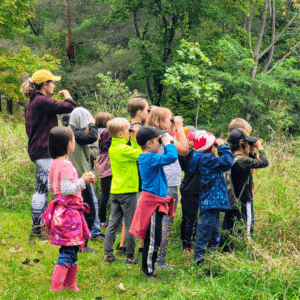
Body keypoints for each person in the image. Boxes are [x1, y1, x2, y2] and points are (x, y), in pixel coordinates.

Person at [21, 69, 76, 240]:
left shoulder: (33, 102)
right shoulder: (42, 101)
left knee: (44, 187)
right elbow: (69, 107)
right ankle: (37, 229)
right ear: (44, 85)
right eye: (52, 82)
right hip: (43, 150)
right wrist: (67, 94)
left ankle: (42, 227)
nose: (54, 85)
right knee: (42, 187)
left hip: (39, 149)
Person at [42, 126, 94, 292]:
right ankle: (56, 287)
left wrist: (77, 186)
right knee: (69, 249)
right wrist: (82, 182)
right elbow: (65, 190)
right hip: (69, 214)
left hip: (61, 211)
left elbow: (53, 188)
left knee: (72, 247)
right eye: (73, 140)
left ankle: (70, 284)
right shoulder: (66, 165)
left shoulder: (54, 164)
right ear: (69, 145)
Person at [129, 126, 178, 277]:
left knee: (154, 238)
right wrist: (169, 144)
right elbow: (171, 157)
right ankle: (148, 271)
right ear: (149, 144)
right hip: (152, 204)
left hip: (154, 202)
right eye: (158, 141)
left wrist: (164, 143)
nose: (161, 144)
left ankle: (149, 268)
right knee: (153, 240)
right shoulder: (149, 158)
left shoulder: (147, 157)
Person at [146, 107, 189, 270]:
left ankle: (151, 257)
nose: (173, 121)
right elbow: (185, 150)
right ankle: (160, 261)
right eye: (170, 119)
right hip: (169, 183)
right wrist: (179, 127)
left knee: (155, 222)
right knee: (166, 222)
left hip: (156, 183)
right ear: (161, 121)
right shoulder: (165, 138)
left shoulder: (151, 136)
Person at [189, 130, 233, 265]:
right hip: (211, 201)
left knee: (214, 233)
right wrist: (222, 146)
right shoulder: (207, 159)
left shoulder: (201, 158)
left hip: (212, 202)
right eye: (213, 145)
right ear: (209, 147)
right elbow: (227, 161)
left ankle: (212, 259)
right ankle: (198, 262)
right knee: (204, 234)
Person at [103, 118, 141, 264]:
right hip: (128, 191)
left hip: (116, 190)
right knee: (130, 223)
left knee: (113, 223)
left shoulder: (113, 148)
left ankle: (108, 254)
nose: (129, 132)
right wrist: (136, 138)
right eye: (127, 130)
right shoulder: (124, 149)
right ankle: (130, 256)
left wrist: (130, 136)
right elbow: (139, 154)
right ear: (120, 134)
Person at [68, 107, 105, 253]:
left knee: (77, 210)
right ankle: (82, 243)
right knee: (88, 210)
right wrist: (92, 124)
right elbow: (92, 136)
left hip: (76, 175)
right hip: (79, 177)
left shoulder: (70, 132)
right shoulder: (75, 133)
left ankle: (76, 241)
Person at [223, 128, 269, 240]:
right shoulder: (243, 160)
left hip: (232, 200)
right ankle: (246, 249)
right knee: (246, 231)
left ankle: (227, 250)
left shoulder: (230, 158)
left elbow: (251, 162)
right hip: (244, 200)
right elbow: (264, 162)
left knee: (230, 229)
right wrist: (259, 146)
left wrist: (251, 151)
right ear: (241, 144)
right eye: (248, 144)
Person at [117, 98, 150, 254]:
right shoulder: (143, 130)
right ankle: (142, 244)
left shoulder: (123, 129)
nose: (148, 112)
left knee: (129, 211)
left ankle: (122, 244)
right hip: (141, 171)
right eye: (146, 110)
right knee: (143, 208)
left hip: (127, 173)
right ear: (140, 112)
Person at [178, 127, 201, 251]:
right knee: (191, 218)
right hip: (193, 188)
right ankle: (188, 244)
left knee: (185, 217)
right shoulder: (193, 154)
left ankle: (184, 242)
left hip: (186, 186)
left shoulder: (183, 153)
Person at [95, 112, 114, 228]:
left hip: (101, 163)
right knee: (105, 194)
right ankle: (101, 220)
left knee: (104, 194)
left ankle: (99, 218)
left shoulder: (95, 132)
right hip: (107, 164)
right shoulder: (106, 133)